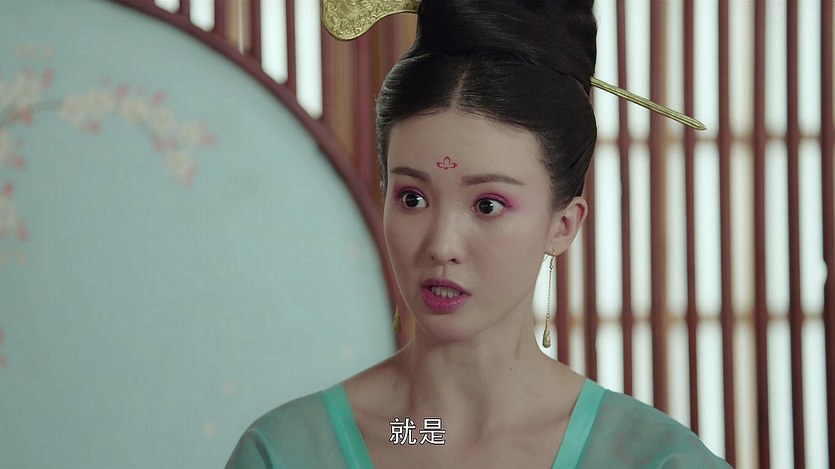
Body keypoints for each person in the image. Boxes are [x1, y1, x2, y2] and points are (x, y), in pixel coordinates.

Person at [226, 1, 730, 467]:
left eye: (488, 205)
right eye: (412, 198)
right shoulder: (287, 451)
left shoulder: (656, 460)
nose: (441, 245)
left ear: (563, 225)